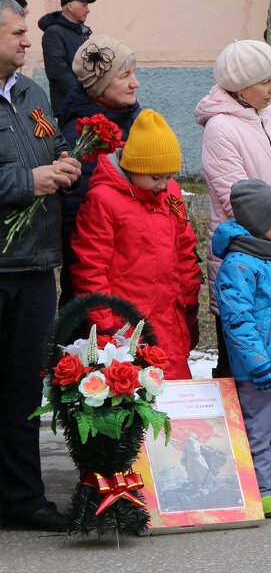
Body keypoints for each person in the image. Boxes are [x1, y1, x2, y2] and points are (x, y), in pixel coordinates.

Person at [0, 0, 80, 532]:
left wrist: (64, 163)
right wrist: (26, 183)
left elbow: (49, 144)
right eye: (17, 33)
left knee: (23, 388)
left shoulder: (30, 93)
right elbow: (23, 177)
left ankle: (22, 498)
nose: (30, 41)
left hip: (33, 266)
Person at [197, 40, 271, 376]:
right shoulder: (220, 128)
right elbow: (235, 200)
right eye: (265, 82)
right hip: (244, 261)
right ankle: (238, 429)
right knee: (242, 361)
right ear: (241, 87)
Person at [72, 110, 201, 380]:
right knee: (129, 405)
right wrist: (104, 326)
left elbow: (185, 250)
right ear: (134, 167)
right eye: (156, 178)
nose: (164, 185)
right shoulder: (103, 200)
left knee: (174, 406)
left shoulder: (170, 193)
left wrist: (189, 306)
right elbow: (91, 268)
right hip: (122, 327)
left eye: (169, 176)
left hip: (169, 323)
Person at [213, 179, 271, 518]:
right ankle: (259, 490)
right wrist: (256, 360)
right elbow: (238, 321)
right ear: (259, 222)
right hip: (261, 365)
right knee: (259, 428)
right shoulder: (239, 264)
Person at [58, 35, 142, 305]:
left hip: (135, 266)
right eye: (125, 75)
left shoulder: (133, 120)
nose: (135, 83)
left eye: (134, 73)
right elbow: (77, 223)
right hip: (101, 277)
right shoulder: (80, 137)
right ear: (99, 86)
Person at [39, 0, 95, 121]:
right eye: (84, 5)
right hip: (70, 107)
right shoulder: (53, 33)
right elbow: (57, 72)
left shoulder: (81, 32)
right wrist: (82, 96)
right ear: (70, 6)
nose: (88, 10)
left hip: (86, 104)